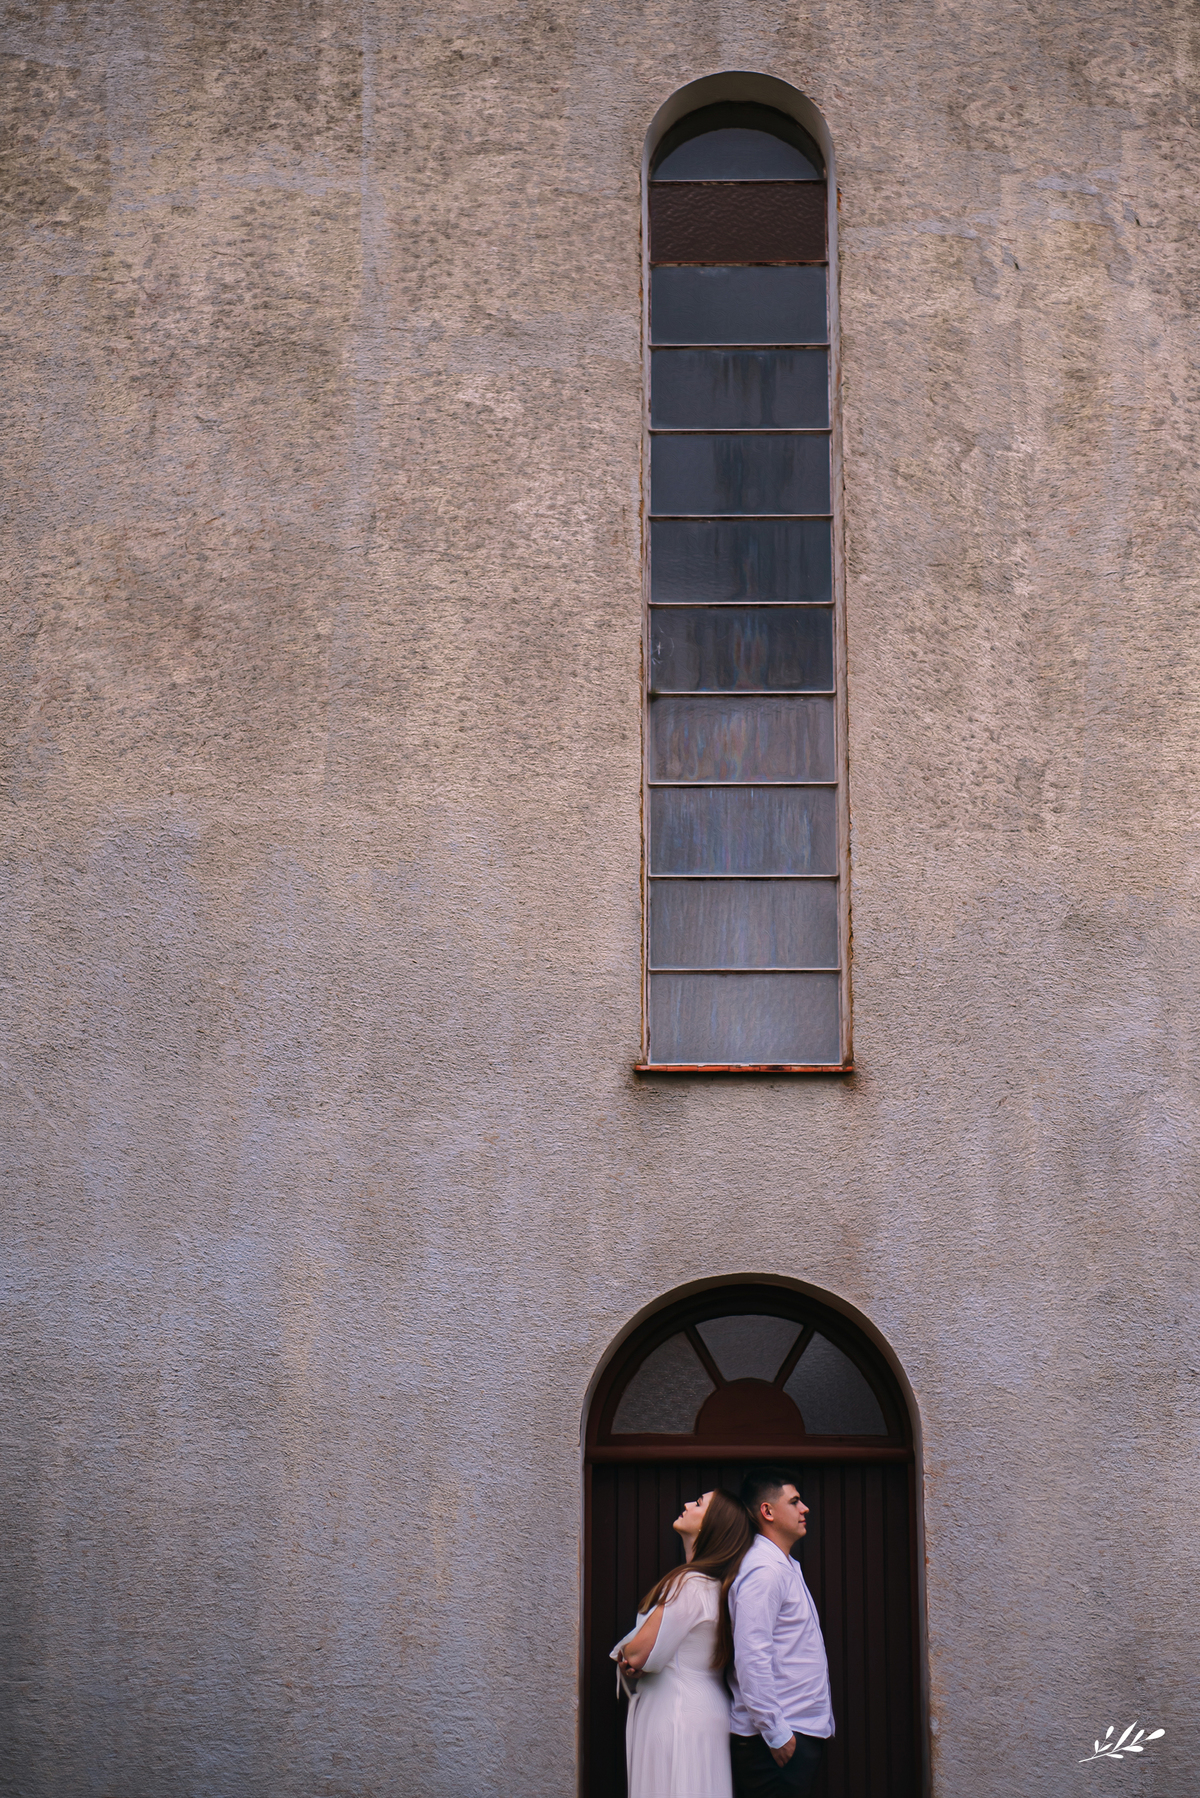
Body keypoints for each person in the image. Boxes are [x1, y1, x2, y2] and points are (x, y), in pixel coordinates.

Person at [610, 1488, 754, 1798]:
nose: (688, 1504)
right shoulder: (716, 1586)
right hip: (704, 1709)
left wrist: (629, 1654)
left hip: (676, 1711)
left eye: (699, 1503)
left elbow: (637, 1654)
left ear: (712, 1525)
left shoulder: (688, 1583)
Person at [727, 1469, 834, 1798]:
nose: (805, 1509)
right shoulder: (764, 1571)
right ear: (767, 1511)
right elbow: (751, 1654)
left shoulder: (782, 1566)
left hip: (791, 1735)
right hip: (773, 1743)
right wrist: (776, 1734)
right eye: (795, 1501)